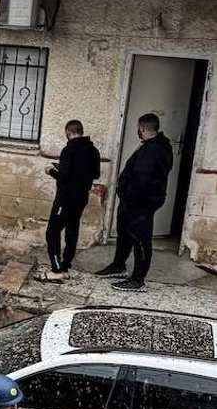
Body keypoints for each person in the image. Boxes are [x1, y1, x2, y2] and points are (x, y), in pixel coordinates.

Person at [96, 113, 173, 292]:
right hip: (134, 201)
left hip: (140, 202)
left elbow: (142, 180)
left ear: (143, 128)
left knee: (140, 239)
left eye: (138, 128)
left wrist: (129, 197)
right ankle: (118, 266)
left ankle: (138, 280)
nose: (137, 131)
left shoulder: (153, 150)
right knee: (125, 233)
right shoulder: (152, 146)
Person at [39, 121, 101, 283]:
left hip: (65, 198)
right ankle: (66, 265)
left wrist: (51, 170)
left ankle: (56, 269)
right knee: (72, 230)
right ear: (81, 131)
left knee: (52, 232)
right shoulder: (93, 150)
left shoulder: (69, 150)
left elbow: (64, 176)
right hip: (81, 198)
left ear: (68, 132)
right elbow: (95, 174)